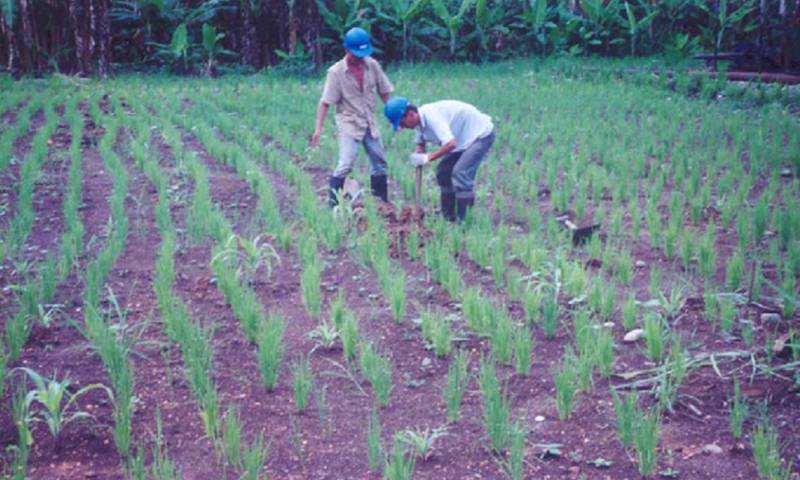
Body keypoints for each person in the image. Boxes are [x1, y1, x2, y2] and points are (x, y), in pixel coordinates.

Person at [311, 27, 394, 206]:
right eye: (356, 53)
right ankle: (333, 205)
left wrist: (393, 114)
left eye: (363, 53)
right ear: (347, 50)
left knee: (380, 162)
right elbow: (325, 102)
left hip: (369, 121)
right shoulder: (336, 72)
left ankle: (382, 204)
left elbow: (385, 92)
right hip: (349, 122)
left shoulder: (372, 65)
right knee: (346, 163)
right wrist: (318, 129)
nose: (360, 58)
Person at [384, 97, 495, 222]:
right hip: (461, 140)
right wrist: (418, 154)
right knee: (443, 172)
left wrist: (427, 158)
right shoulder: (418, 123)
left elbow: (450, 144)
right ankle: (448, 216)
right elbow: (420, 143)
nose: (402, 127)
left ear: (410, 114)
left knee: (460, 173)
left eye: (402, 123)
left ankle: (464, 221)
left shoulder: (432, 117)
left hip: (479, 135)